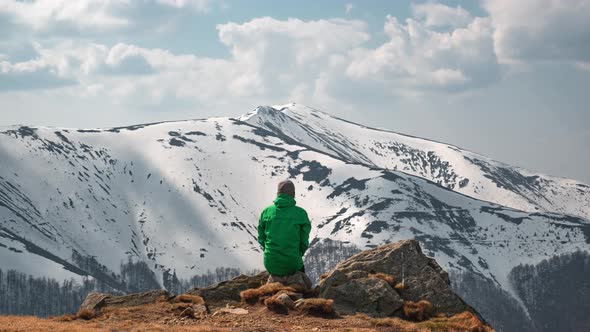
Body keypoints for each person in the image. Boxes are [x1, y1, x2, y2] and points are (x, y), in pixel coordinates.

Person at [258, 180, 312, 290]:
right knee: (303, 276)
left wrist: (270, 251)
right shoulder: (300, 213)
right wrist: (297, 254)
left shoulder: (266, 212)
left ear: (278, 194)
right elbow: (304, 242)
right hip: (292, 263)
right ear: (293, 194)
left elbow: (261, 238)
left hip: (270, 263)